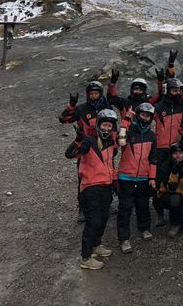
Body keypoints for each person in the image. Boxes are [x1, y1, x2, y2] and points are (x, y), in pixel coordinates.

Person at [65, 108, 118, 270]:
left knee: (103, 218)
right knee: (93, 221)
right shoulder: (88, 141)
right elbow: (69, 154)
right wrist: (78, 139)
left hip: (106, 186)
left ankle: (96, 245)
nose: (106, 129)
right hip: (90, 187)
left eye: (109, 126)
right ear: (98, 125)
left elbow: (109, 164)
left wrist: (115, 181)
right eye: (104, 125)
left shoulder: (110, 142)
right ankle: (86, 257)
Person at [59, 80, 111, 222]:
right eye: (91, 94)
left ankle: (105, 203)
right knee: (83, 177)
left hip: (104, 146)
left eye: (96, 93)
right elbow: (64, 119)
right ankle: (82, 208)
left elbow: (113, 126)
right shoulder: (81, 109)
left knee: (106, 175)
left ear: (101, 94)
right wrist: (71, 105)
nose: (94, 96)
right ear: (87, 94)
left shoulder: (106, 108)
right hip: (86, 146)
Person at [116, 103, 157, 254]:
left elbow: (153, 158)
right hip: (126, 176)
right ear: (138, 114)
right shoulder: (129, 131)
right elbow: (120, 141)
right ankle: (124, 238)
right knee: (125, 208)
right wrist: (126, 119)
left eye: (148, 116)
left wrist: (152, 177)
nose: (145, 118)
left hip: (143, 177)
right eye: (143, 114)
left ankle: (144, 228)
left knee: (143, 205)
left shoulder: (152, 136)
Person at [153, 78, 183, 225]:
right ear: (168, 90)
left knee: (178, 180)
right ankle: (159, 213)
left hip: (177, 148)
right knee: (159, 181)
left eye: (178, 90)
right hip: (161, 148)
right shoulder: (158, 107)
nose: (176, 93)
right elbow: (144, 114)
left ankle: (177, 213)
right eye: (174, 90)